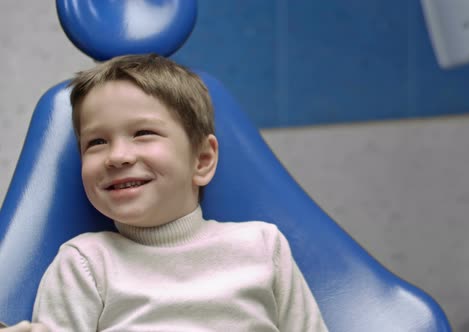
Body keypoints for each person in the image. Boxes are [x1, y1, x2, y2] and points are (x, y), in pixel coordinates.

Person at [5, 54, 327, 331]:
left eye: (143, 133)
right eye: (96, 142)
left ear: (202, 160)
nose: (118, 156)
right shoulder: (85, 263)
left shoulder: (262, 246)